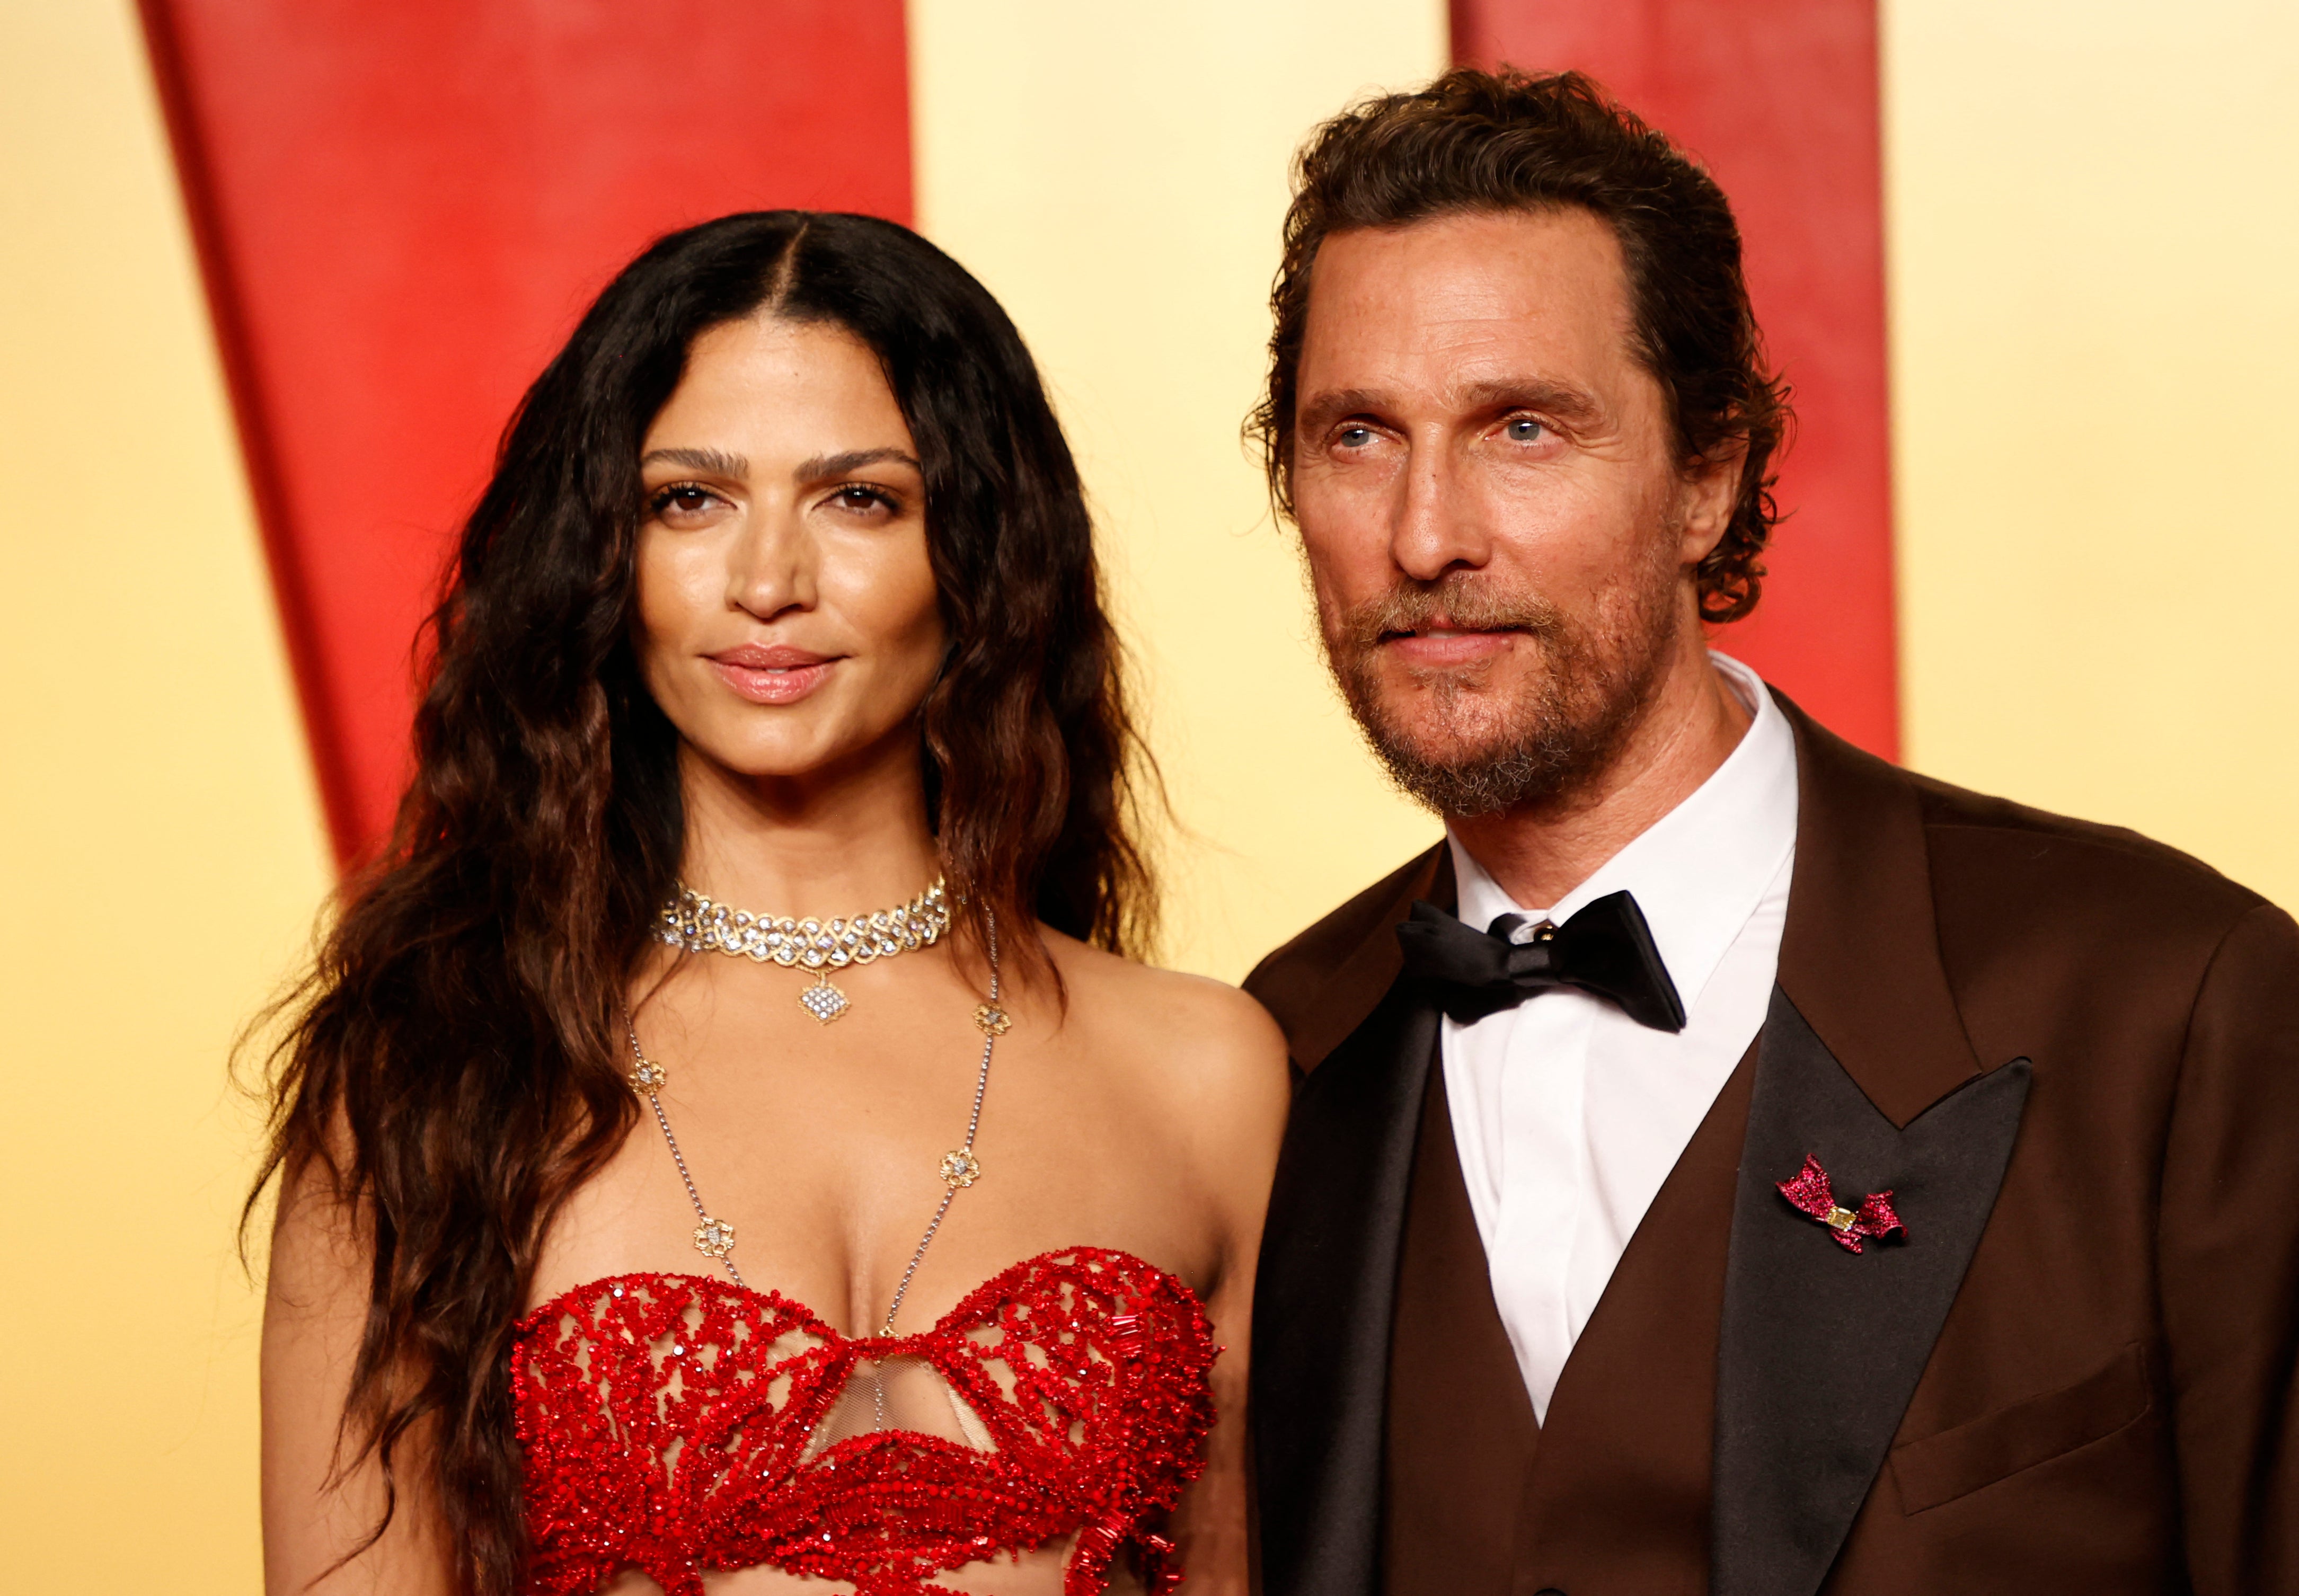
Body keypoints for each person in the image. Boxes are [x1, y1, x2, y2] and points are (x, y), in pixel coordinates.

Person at [1242, 68, 2299, 1596]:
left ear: (1705, 478)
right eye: (1356, 435)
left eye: (1521, 428)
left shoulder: (2167, 1002)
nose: (1423, 534)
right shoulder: (1266, 1058)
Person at [257, 211, 1287, 1596]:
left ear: (978, 553)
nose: (765, 584)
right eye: (690, 499)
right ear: (603, 558)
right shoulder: (433, 1068)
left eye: (857, 497)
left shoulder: (1204, 1073)